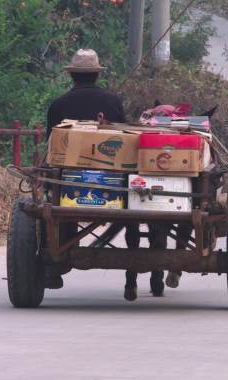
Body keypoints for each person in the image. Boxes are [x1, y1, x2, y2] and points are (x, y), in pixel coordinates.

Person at [46, 49, 164, 301]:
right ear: (96, 75)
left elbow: (51, 149)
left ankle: (55, 254)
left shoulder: (58, 106)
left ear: (72, 76)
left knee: (52, 192)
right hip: (114, 184)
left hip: (68, 184)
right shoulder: (112, 102)